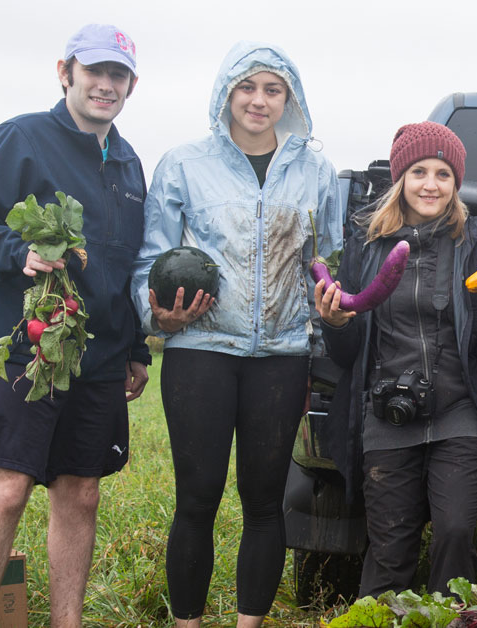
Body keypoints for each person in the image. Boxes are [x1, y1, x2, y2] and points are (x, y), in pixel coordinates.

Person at [130, 42, 342, 626]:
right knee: (197, 498)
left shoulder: (316, 171)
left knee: (265, 501)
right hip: (200, 350)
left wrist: (329, 325)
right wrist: (157, 318)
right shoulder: (183, 164)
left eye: (273, 90)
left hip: (282, 354)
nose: (259, 100)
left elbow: (328, 261)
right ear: (226, 93)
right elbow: (151, 256)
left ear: (289, 100)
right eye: (247, 87)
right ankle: (188, 622)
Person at [0, 24, 149, 627]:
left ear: (131, 85)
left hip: (101, 356)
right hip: (25, 347)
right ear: (66, 72)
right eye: (95, 71)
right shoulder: (21, 138)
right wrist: (18, 254)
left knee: (81, 492)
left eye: (118, 75)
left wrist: (136, 346)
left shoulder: (131, 165)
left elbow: (129, 264)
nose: (105, 85)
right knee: (6, 488)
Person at [317, 122, 477, 597]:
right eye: (419, 171)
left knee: (455, 535)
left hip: (459, 413)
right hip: (387, 415)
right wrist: (335, 323)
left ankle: (452, 615)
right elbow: (348, 353)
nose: (431, 184)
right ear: (401, 178)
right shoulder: (367, 245)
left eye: (443, 174)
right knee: (390, 550)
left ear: (456, 183)